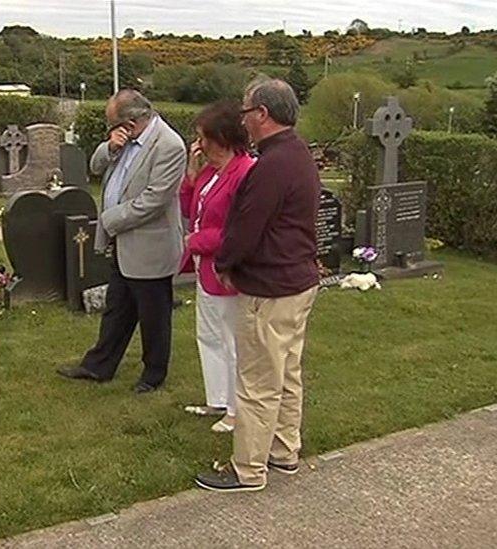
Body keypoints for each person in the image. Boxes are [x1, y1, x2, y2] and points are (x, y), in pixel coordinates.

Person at [195, 78, 322, 493]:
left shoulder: (271, 166)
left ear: (263, 115)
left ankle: (247, 469)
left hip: (271, 287)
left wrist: (227, 264)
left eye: (247, 113)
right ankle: (284, 450)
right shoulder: (298, 154)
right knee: (286, 372)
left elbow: (247, 227)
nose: (244, 121)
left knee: (257, 382)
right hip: (297, 281)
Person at [58, 90, 187, 393]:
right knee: (118, 308)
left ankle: (153, 375)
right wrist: (110, 147)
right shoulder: (125, 140)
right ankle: (98, 366)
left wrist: (109, 219)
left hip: (150, 245)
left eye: (113, 124)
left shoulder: (169, 145)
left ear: (132, 121)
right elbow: (95, 167)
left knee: (153, 314)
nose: (111, 130)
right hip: (124, 242)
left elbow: (154, 200)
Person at [179, 102, 256, 432]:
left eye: (202, 137)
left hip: (226, 269)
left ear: (220, 137)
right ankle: (218, 399)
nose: (198, 144)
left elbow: (235, 229)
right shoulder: (210, 172)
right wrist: (191, 174)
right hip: (204, 270)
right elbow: (190, 208)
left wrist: (195, 242)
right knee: (208, 334)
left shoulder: (244, 172)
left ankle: (238, 409)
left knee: (231, 340)